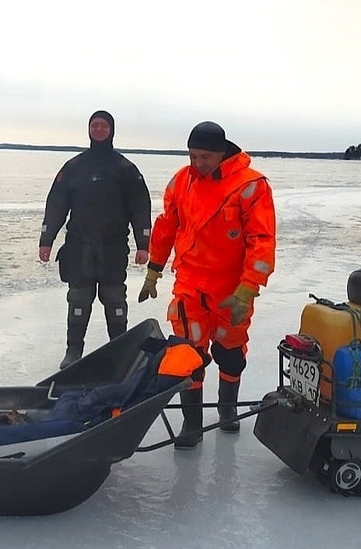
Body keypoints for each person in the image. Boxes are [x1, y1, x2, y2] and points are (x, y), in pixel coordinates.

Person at [138, 121, 276, 449]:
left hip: (232, 289)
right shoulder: (181, 182)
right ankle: (192, 424)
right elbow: (166, 226)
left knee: (230, 353)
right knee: (188, 353)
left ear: (222, 153)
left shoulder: (250, 185)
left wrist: (247, 289)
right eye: (192, 155)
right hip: (189, 284)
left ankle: (227, 409)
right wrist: (154, 271)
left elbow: (262, 241)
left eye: (205, 156)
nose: (198, 163)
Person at [39, 110, 152, 369]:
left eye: (104, 126)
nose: (99, 129)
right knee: (78, 297)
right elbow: (56, 204)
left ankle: (120, 348)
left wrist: (143, 244)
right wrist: (47, 239)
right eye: (95, 125)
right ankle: (73, 351)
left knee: (114, 297)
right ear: (88, 129)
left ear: (111, 130)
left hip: (113, 247)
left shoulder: (125, 169)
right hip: (79, 246)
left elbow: (140, 207)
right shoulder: (74, 167)